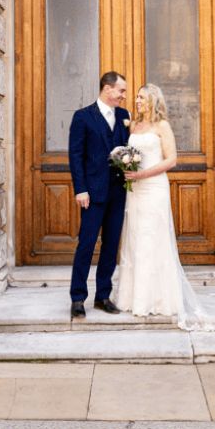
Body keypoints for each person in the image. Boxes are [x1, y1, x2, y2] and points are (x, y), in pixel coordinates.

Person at [116, 84, 215, 330]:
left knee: (153, 238)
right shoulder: (133, 125)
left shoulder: (161, 126)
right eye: (136, 97)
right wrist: (126, 167)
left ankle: (159, 298)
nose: (137, 101)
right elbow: (129, 153)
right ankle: (134, 298)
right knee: (135, 238)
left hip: (153, 187)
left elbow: (171, 159)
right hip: (135, 191)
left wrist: (143, 174)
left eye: (142, 97)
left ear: (153, 100)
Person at [67, 71, 131, 319]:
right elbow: (76, 156)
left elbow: (128, 150)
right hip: (91, 194)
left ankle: (103, 295)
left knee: (111, 245)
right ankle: (77, 297)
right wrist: (80, 189)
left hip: (118, 192)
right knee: (86, 244)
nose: (123, 96)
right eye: (121, 91)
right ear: (107, 88)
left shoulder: (124, 116)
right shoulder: (83, 117)